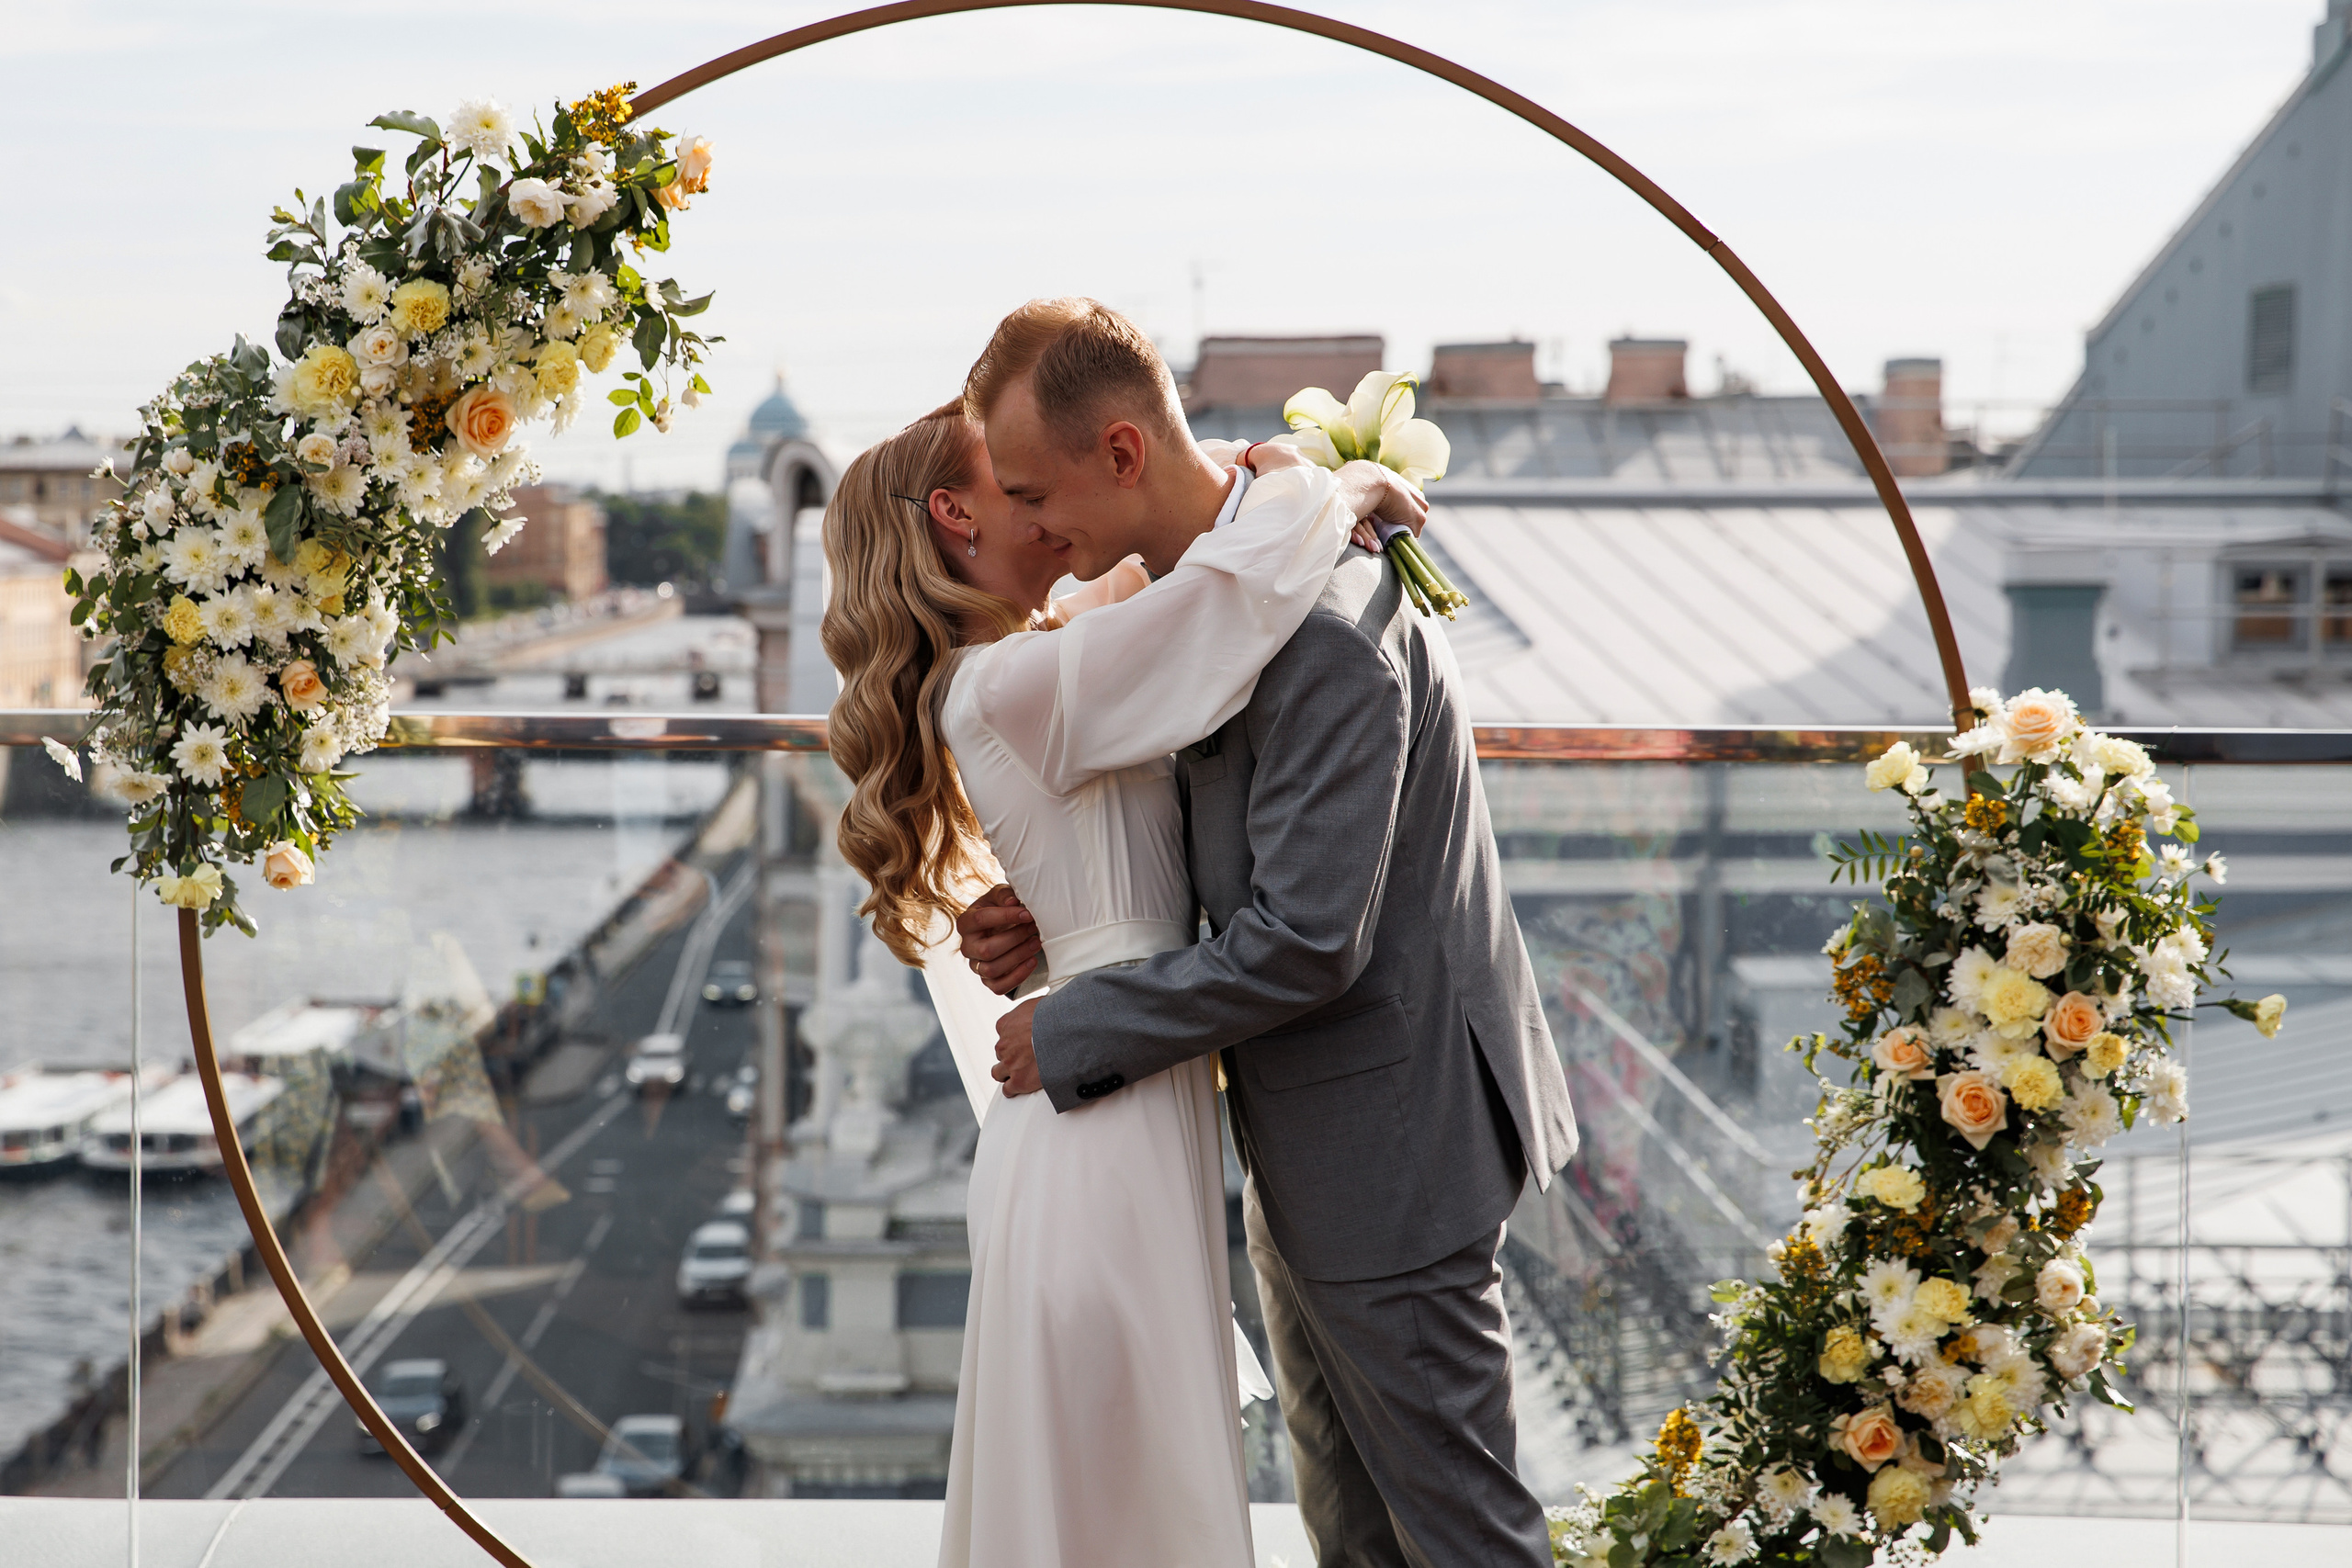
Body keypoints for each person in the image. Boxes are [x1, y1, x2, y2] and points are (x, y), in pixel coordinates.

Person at [958, 299, 1581, 1568]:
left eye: (1032, 492)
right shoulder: (1238, 588)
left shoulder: (1324, 631)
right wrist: (1057, 915)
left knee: (1462, 1540)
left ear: (1121, 455)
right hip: (1318, 1144)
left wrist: (1080, 1024)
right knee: (1354, 1534)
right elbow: (1233, 844)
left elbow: (1305, 938)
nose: (1026, 528)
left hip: (1392, 1153)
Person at [818, 349, 1423, 1565]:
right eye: (1021, 490)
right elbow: (1219, 612)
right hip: (1096, 1120)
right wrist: (1335, 487)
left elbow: (1178, 592)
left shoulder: (1036, 663)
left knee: (1119, 1482)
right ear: (958, 513)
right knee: (1122, 1483)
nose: (1049, 506)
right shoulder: (1018, 681)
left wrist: (1056, 915)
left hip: (1113, 1094)